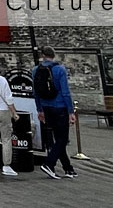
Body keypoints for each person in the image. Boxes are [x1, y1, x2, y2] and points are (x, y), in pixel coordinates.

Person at [32, 46, 78, 179]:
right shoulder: (60, 69)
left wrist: (39, 109)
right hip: (59, 107)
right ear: (54, 55)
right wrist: (71, 111)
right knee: (62, 139)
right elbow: (65, 92)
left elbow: (36, 93)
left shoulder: (36, 70)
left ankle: (68, 168)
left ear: (42, 56)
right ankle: (49, 163)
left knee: (58, 139)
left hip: (46, 107)